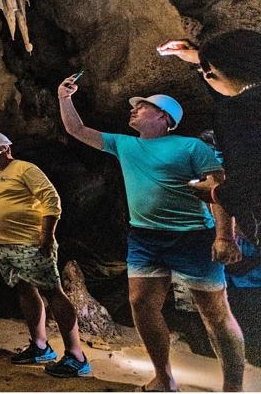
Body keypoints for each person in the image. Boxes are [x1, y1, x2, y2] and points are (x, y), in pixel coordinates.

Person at [58, 78, 244, 391]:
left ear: (164, 117)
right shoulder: (124, 144)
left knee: (214, 313)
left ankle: (234, 388)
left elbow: (219, 188)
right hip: (145, 238)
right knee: (142, 304)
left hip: (193, 237)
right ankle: (164, 378)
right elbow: (77, 130)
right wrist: (64, 98)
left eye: (142, 106)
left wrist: (225, 235)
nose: (134, 109)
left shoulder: (191, 146)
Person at [0, 131, 90, 378]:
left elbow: (51, 200)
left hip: (29, 243)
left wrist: (46, 235)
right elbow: (5, 205)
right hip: (3, 245)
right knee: (24, 290)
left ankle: (76, 356)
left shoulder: (25, 169)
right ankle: (39, 346)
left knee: (52, 291)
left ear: (7, 148)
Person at [158, 30, 261, 242]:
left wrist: (214, 193)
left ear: (210, 75)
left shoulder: (235, 112)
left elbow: (250, 181)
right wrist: (202, 58)